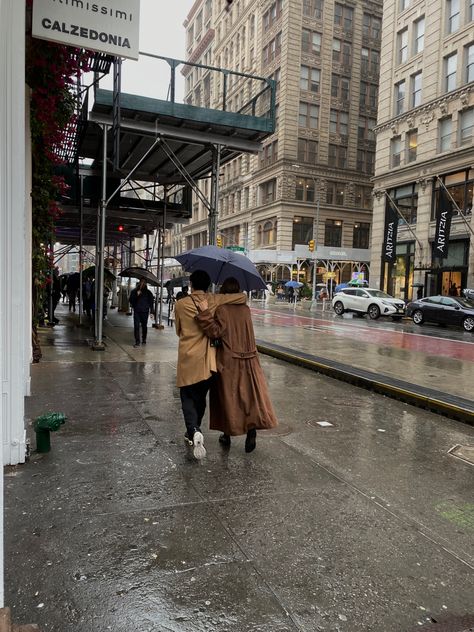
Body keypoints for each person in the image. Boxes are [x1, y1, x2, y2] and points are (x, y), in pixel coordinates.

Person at [195, 277, 278, 453]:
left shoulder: (222, 309)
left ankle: (227, 434)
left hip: (229, 360)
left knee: (228, 397)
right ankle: (251, 429)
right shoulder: (246, 309)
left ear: (224, 292)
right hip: (249, 359)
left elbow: (215, 332)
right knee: (249, 398)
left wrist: (204, 314)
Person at [174, 270, 246, 459]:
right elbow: (237, 298)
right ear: (208, 285)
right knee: (200, 397)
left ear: (191, 284)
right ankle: (194, 428)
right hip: (208, 360)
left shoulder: (181, 305)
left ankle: (193, 429)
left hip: (188, 358)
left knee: (187, 396)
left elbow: (178, 330)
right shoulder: (213, 300)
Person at [129, 279, 154, 348]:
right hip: (137, 311)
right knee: (136, 326)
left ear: (145, 283)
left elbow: (151, 302)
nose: (142, 283)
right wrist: (136, 296)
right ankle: (137, 341)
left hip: (145, 311)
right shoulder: (134, 291)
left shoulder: (148, 293)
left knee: (144, 326)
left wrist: (152, 311)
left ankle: (144, 339)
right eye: (141, 282)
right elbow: (131, 300)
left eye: (144, 282)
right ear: (139, 282)